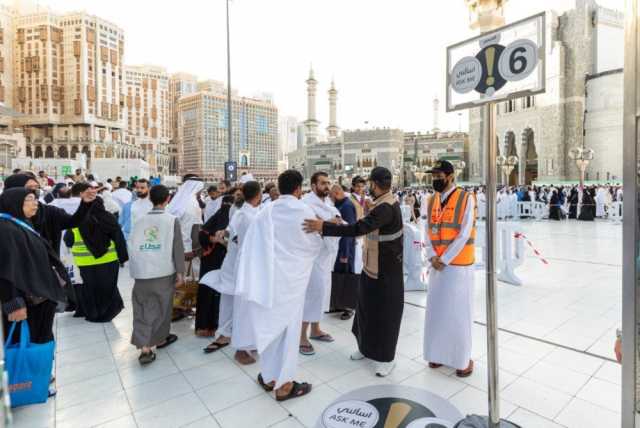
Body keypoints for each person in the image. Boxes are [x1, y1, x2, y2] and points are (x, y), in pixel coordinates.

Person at [303, 166, 404, 377]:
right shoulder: (379, 202)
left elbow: (358, 229)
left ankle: (387, 358)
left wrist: (324, 226)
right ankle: (366, 348)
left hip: (386, 270)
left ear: (374, 185)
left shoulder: (386, 207)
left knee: (385, 314)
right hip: (371, 266)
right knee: (366, 309)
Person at [235, 170, 324, 401]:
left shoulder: (267, 210)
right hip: (292, 283)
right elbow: (314, 245)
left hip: (268, 280)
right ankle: (284, 386)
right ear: (298, 189)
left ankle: (269, 376)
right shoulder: (303, 210)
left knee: (271, 329)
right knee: (289, 331)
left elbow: (251, 245)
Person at [423, 160, 476, 377]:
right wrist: (432, 256)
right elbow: (427, 230)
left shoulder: (466, 198)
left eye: (439, 175)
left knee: (458, 314)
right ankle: (436, 354)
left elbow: (464, 232)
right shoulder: (431, 200)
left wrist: (444, 259)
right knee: (437, 311)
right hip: (437, 265)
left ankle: (461, 360)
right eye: (433, 175)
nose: (435, 179)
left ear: (450, 176)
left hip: (458, 266)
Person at [200, 181, 262, 365]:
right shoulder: (250, 216)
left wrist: (225, 236)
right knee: (241, 302)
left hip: (233, 261)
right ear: (258, 196)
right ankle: (242, 344)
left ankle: (226, 334)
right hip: (242, 264)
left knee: (229, 299)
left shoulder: (241, 212)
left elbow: (228, 233)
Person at [0, 188, 69, 350]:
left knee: (39, 340)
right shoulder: (5, 229)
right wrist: (14, 303)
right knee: (28, 343)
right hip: (26, 300)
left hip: (39, 296)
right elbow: (6, 269)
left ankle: (40, 371)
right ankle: (31, 373)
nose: (35, 203)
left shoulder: (21, 223)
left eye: (35, 198)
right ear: (15, 203)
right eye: (29, 199)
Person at [129, 185, 184, 365]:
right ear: (167, 199)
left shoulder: (140, 220)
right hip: (162, 271)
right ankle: (159, 340)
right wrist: (181, 273)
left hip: (141, 271)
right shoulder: (171, 220)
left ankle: (144, 347)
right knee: (161, 308)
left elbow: (133, 245)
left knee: (142, 308)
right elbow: (177, 248)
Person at [64, 183, 128, 322]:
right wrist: (123, 257)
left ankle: (93, 314)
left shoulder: (78, 219)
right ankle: (109, 311)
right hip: (108, 261)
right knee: (107, 288)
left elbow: (68, 241)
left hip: (85, 263)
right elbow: (119, 239)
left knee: (90, 289)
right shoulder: (109, 218)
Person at [299, 172, 341, 356]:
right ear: (313, 185)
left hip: (326, 256)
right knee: (312, 294)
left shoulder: (327, 202)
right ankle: (301, 336)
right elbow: (311, 225)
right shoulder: (306, 203)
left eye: (328, 183)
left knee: (322, 293)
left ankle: (315, 329)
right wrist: (330, 222)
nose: (327, 186)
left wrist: (329, 222)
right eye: (323, 183)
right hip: (312, 256)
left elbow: (337, 220)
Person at [3, 173, 96, 254]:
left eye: (37, 188)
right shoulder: (4, 217)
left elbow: (73, 221)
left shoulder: (47, 211)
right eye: (30, 188)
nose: (35, 192)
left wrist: (85, 204)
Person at [195, 194, 232, 337]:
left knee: (212, 292)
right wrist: (219, 241)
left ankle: (209, 326)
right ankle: (209, 326)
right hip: (216, 260)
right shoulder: (226, 217)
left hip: (212, 261)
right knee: (212, 292)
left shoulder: (217, 216)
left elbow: (204, 234)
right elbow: (205, 235)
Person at [329, 184, 357, 320]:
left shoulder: (346, 206)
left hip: (345, 248)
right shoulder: (340, 204)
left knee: (347, 277)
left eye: (331, 195)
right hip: (339, 248)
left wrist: (345, 253)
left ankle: (349, 307)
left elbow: (349, 231)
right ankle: (338, 305)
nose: (330, 198)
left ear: (336, 193)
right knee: (339, 275)